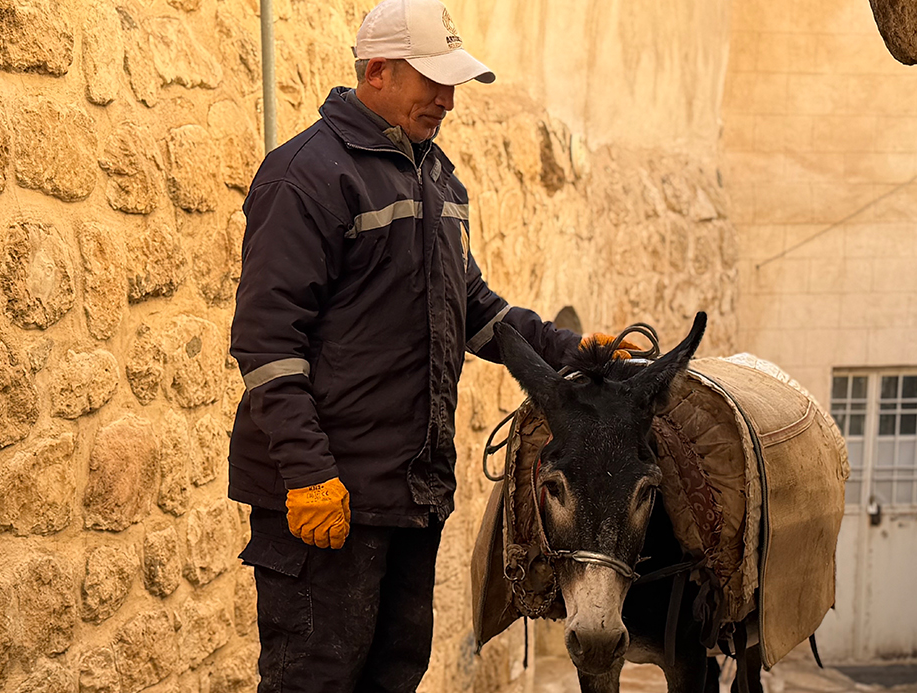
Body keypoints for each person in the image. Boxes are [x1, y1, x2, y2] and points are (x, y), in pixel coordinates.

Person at [227, 1, 632, 689]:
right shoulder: (308, 174)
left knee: (394, 675)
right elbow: (268, 342)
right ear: (378, 71)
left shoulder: (439, 180)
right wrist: (307, 472)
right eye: (432, 81)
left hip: (412, 499)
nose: (447, 98)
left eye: (453, 83)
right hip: (331, 502)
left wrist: (570, 350)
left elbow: (473, 311)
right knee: (314, 679)